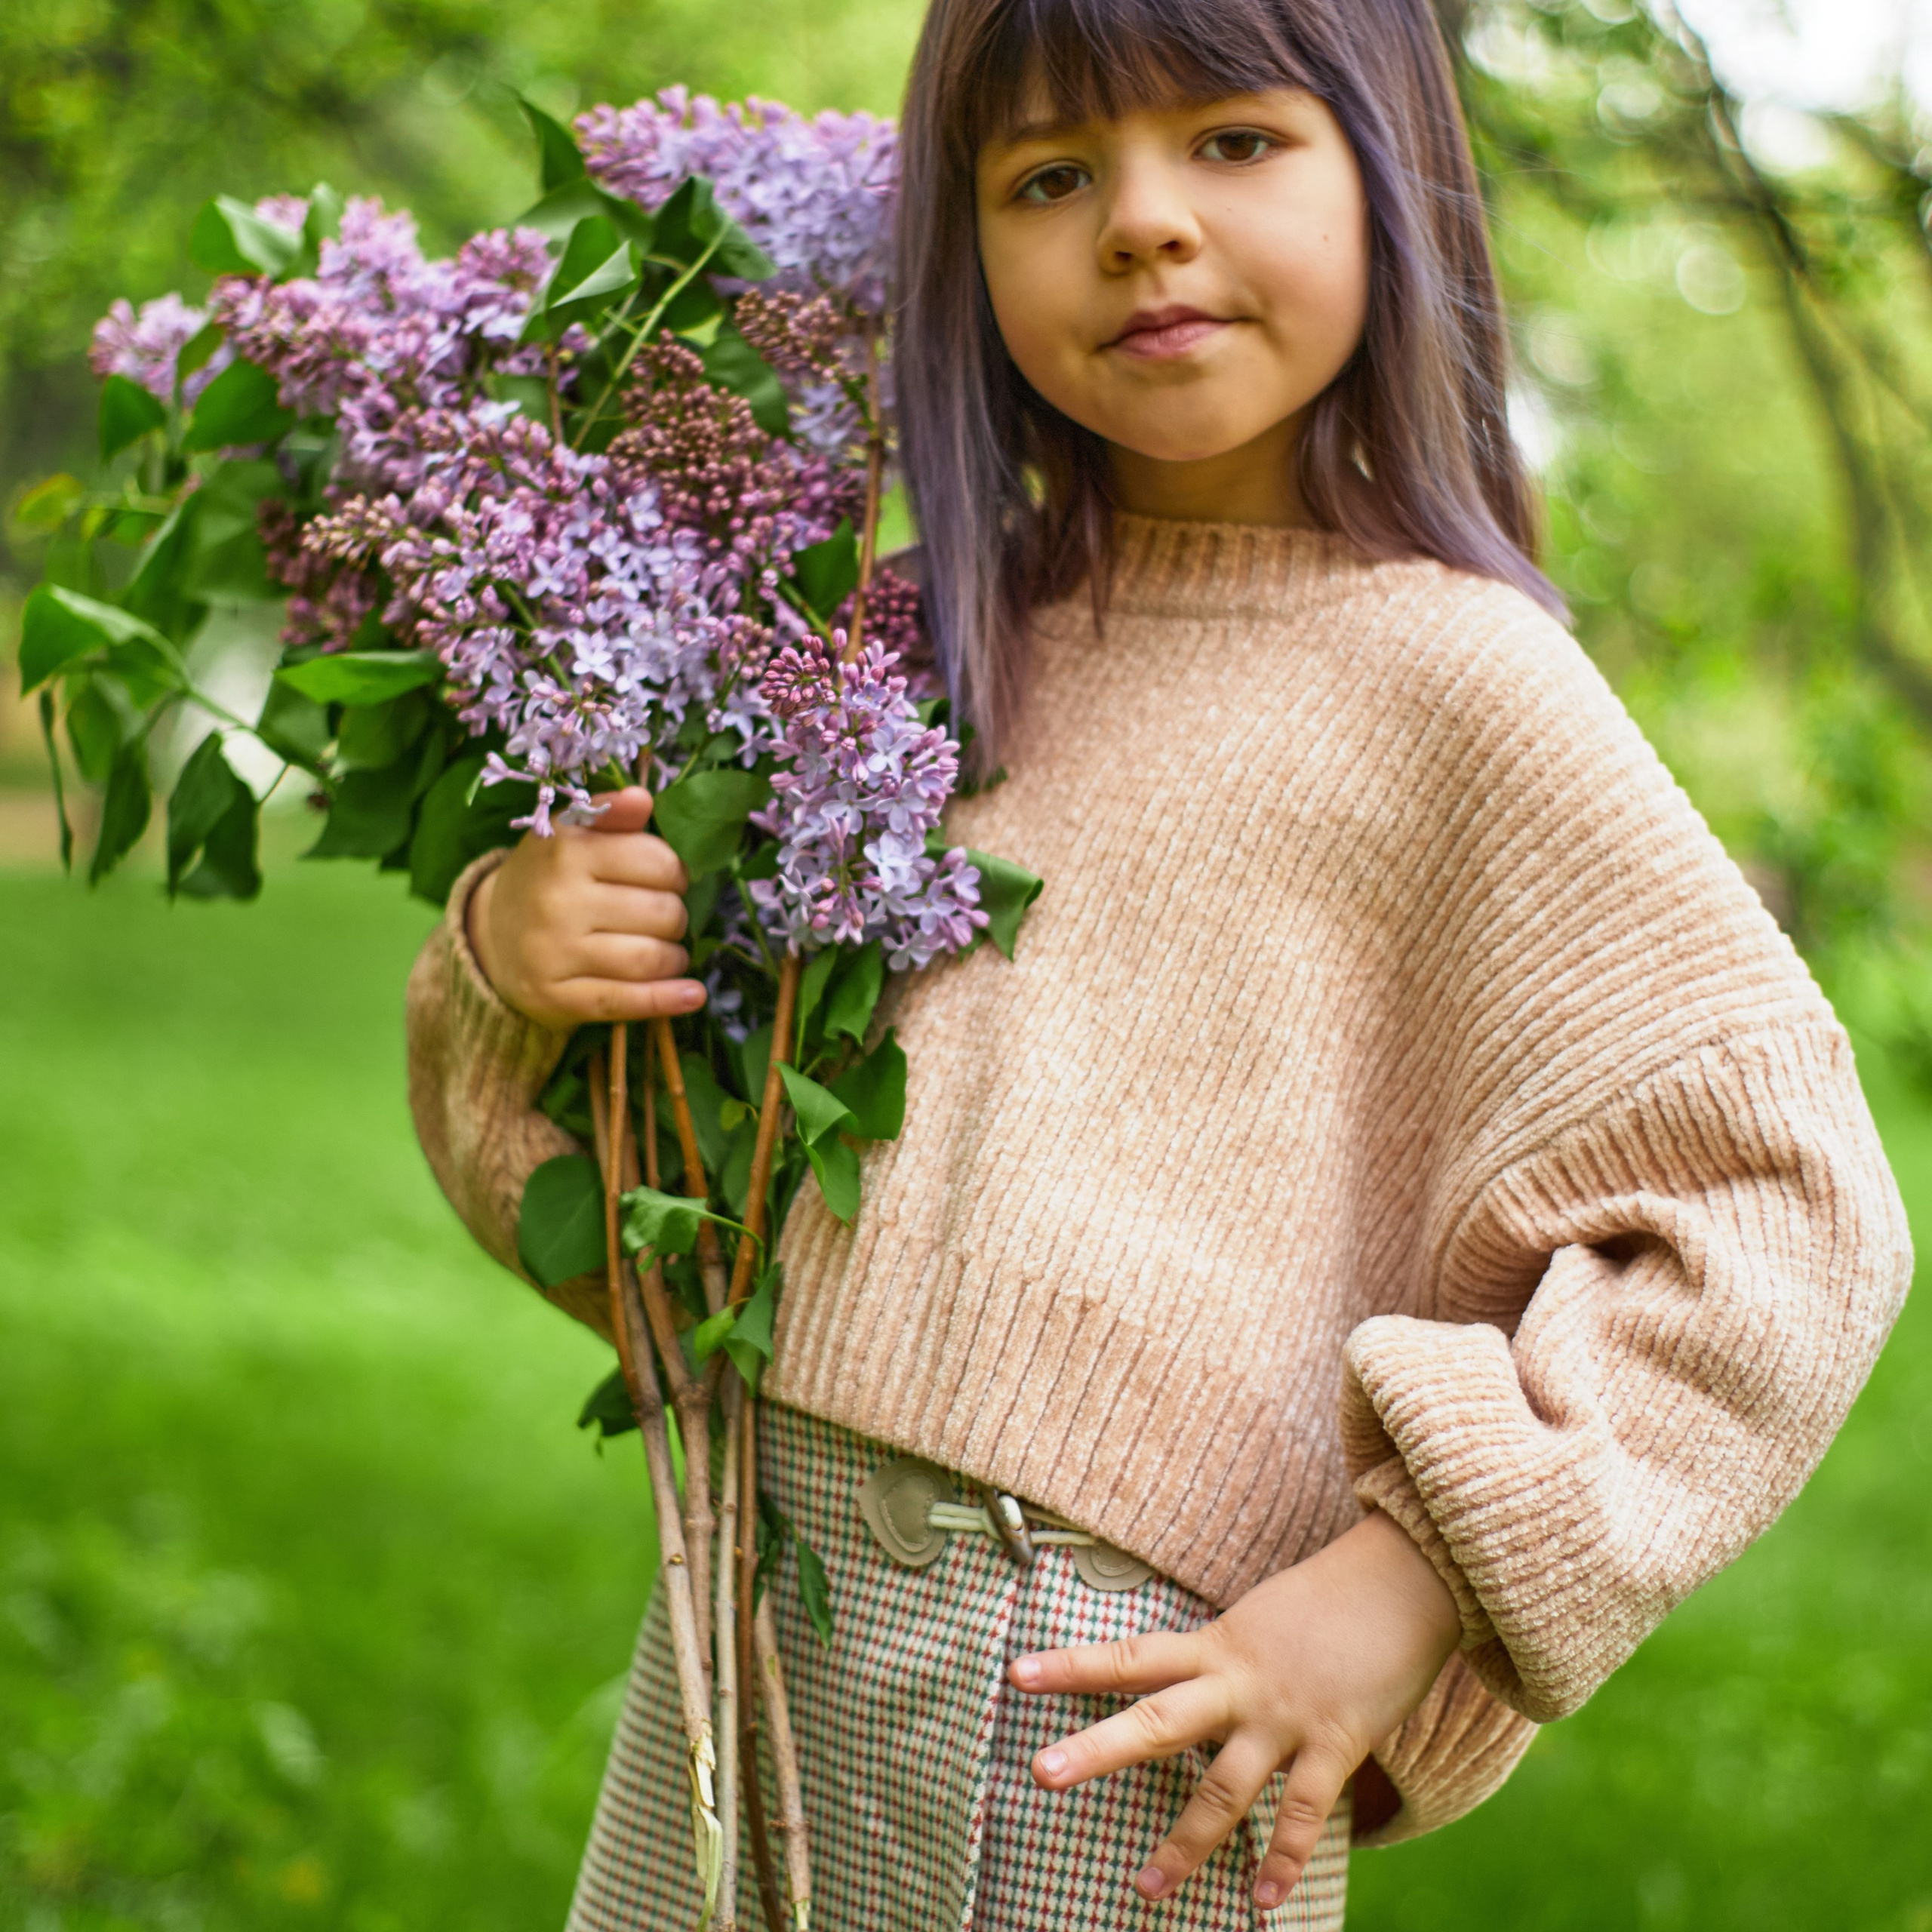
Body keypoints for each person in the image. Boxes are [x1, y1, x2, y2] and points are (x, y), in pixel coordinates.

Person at [405, 0, 1912, 1923]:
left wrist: (1417, 1570)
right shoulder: (888, 661)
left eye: (1232, 140)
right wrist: (516, 963)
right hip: (751, 1616)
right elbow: (636, 1180)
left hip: (1110, 1712)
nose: (1139, 222)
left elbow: (1784, 1200)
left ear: (1391, 179)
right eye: (1049, 174)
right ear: (964, 255)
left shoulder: (1455, 686)